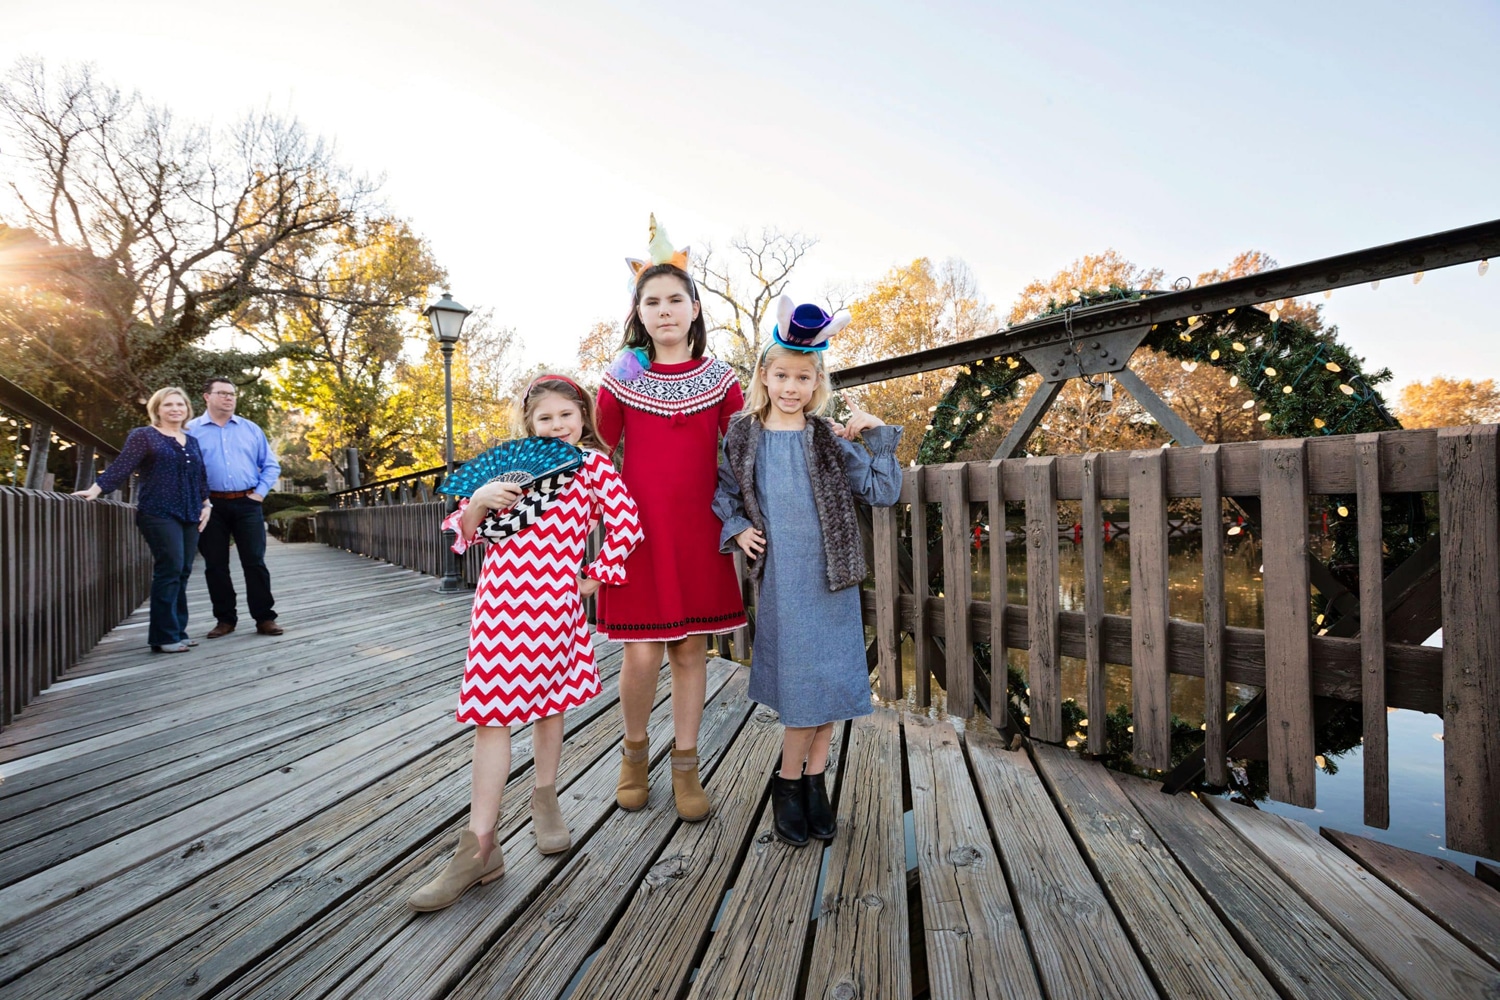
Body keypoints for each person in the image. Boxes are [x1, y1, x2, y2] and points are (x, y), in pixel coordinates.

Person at [409, 374, 642, 912]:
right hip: (499, 605)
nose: (557, 425)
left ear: (583, 417)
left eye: (567, 415)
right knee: (491, 716)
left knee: (550, 703)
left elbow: (627, 523)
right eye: (545, 418)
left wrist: (597, 573)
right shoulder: (507, 469)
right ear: (529, 424)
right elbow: (463, 538)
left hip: (555, 606)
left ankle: (545, 797)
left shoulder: (591, 467)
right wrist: (478, 504)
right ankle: (480, 847)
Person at [712, 296, 903, 846]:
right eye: (782, 376)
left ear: (816, 382)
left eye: (803, 377)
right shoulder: (744, 434)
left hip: (832, 577)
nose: (792, 387)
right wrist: (737, 528)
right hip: (784, 580)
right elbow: (724, 493)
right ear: (765, 378)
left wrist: (877, 433)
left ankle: (815, 786)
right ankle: (786, 784)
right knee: (801, 691)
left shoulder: (825, 437)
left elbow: (882, 491)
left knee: (828, 687)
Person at [595, 216, 747, 822]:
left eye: (674, 300)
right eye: (651, 302)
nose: (664, 310)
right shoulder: (625, 377)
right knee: (640, 654)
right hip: (639, 532)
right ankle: (634, 756)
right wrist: (612, 381)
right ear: (639, 313)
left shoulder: (721, 379)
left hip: (697, 530)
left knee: (690, 650)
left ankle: (687, 765)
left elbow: (745, 448)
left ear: (693, 309)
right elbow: (600, 442)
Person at [74, 387, 213, 653]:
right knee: (170, 567)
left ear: (187, 409)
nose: (175, 409)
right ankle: (163, 636)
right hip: (157, 512)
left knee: (182, 571)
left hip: (191, 512)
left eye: (180, 405)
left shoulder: (191, 440)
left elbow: (200, 477)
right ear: (157, 409)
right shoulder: (144, 436)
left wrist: (207, 504)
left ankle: (178, 631)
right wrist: (96, 488)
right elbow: (123, 465)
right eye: (168, 405)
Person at [186, 377, 283, 638]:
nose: (229, 398)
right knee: (215, 565)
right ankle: (225, 620)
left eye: (232, 394)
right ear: (207, 397)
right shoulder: (191, 431)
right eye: (222, 393)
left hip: (247, 502)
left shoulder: (250, 429)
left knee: (255, 562)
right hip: (209, 506)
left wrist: (260, 494)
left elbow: (271, 465)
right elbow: (184, 471)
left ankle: (264, 618)